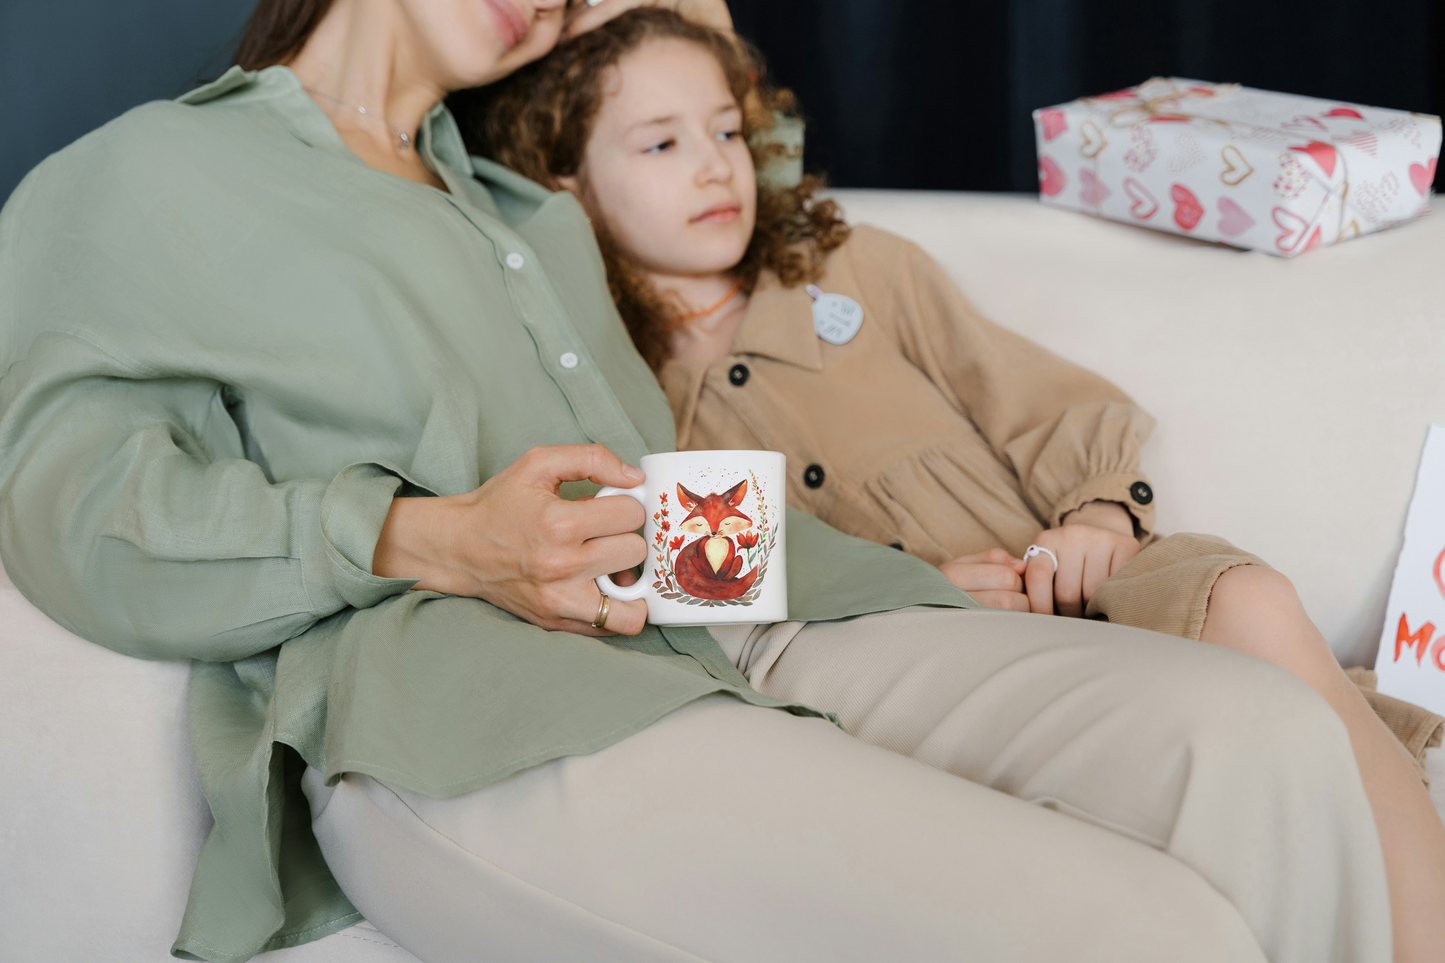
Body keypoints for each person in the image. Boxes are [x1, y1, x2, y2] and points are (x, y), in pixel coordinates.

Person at [0, 1, 1416, 961]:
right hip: (472, 707)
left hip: (726, 626)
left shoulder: (523, 213)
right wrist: (427, 534)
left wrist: (913, 584)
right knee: (1138, 929)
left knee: (1261, 738)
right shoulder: (147, 179)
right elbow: (75, 516)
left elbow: (721, 131)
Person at [473, 8, 1445, 959]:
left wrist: (1097, 515)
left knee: (1249, 599)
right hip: (923, 659)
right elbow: (699, 576)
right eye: (659, 144)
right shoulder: (612, 388)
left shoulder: (851, 268)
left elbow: (1042, 405)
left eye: (725, 128)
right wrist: (917, 583)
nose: (713, 163)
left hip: (1076, 586)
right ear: (563, 186)